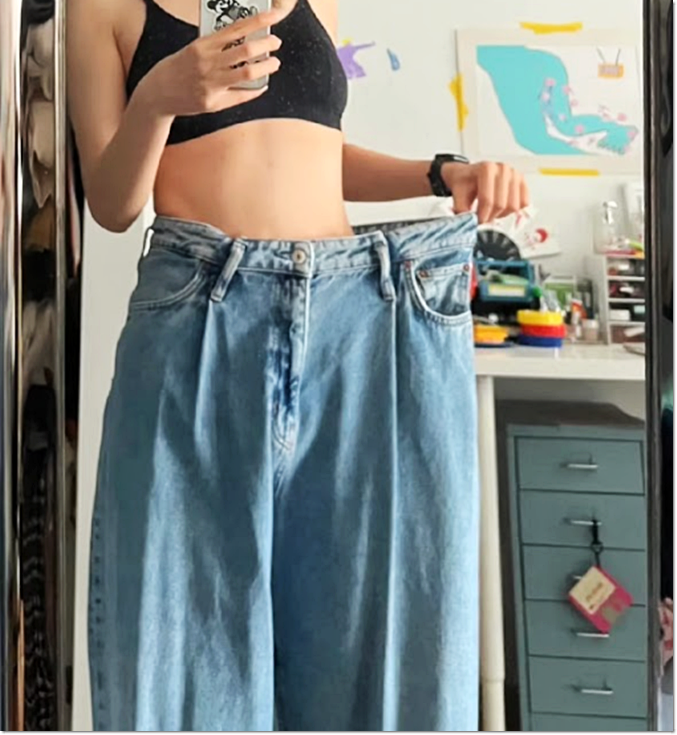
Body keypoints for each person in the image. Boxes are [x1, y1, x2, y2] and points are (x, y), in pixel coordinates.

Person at [68, 0, 530, 730]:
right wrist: (158, 97)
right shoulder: (100, 7)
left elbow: (317, 150)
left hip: (358, 315)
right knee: (180, 638)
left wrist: (441, 172)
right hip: (204, 310)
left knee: (370, 639)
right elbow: (113, 203)